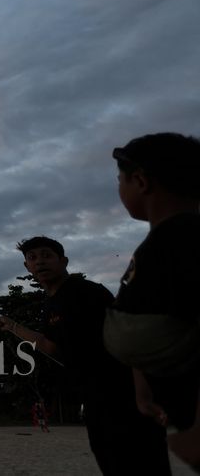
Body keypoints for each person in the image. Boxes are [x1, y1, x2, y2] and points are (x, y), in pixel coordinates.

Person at [0, 236, 168, 473]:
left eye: (47, 255)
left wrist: (143, 395)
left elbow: (131, 337)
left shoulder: (87, 292)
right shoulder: (51, 306)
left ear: (63, 261)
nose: (40, 262)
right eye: (32, 258)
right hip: (96, 402)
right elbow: (50, 346)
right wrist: (13, 327)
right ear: (27, 267)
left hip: (125, 396)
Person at [104, 133, 200, 469]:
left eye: (120, 179)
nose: (119, 188)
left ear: (141, 180)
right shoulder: (163, 240)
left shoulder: (185, 238)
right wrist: (141, 385)